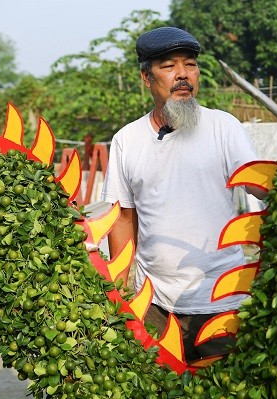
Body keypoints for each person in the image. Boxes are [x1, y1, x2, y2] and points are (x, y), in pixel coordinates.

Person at [100, 26, 265, 362]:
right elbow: (124, 218)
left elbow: (258, 185)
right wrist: (119, 292)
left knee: (223, 388)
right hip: (155, 304)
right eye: (169, 66)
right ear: (146, 78)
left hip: (222, 298)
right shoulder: (126, 141)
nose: (182, 75)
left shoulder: (224, 127)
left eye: (190, 65)